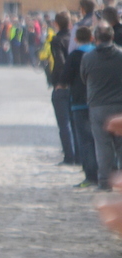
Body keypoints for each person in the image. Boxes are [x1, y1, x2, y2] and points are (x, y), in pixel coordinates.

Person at [81, 21, 122, 191]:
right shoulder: (120, 55)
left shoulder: (88, 57)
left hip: (98, 105)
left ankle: (104, 182)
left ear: (95, 38)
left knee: (102, 145)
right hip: (120, 104)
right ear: (112, 36)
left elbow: (84, 78)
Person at [59, 26, 97, 188]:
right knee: (100, 140)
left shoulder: (74, 56)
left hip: (79, 103)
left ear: (76, 40)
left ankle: (90, 175)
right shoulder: (97, 53)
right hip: (98, 101)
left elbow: (64, 79)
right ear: (91, 38)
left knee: (85, 141)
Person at [51, 12, 76, 166]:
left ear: (57, 24)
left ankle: (69, 156)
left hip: (63, 84)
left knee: (64, 122)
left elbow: (60, 63)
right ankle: (78, 155)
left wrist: (62, 81)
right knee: (75, 121)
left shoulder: (57, 40)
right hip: (76, 84)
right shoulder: (74, 38)